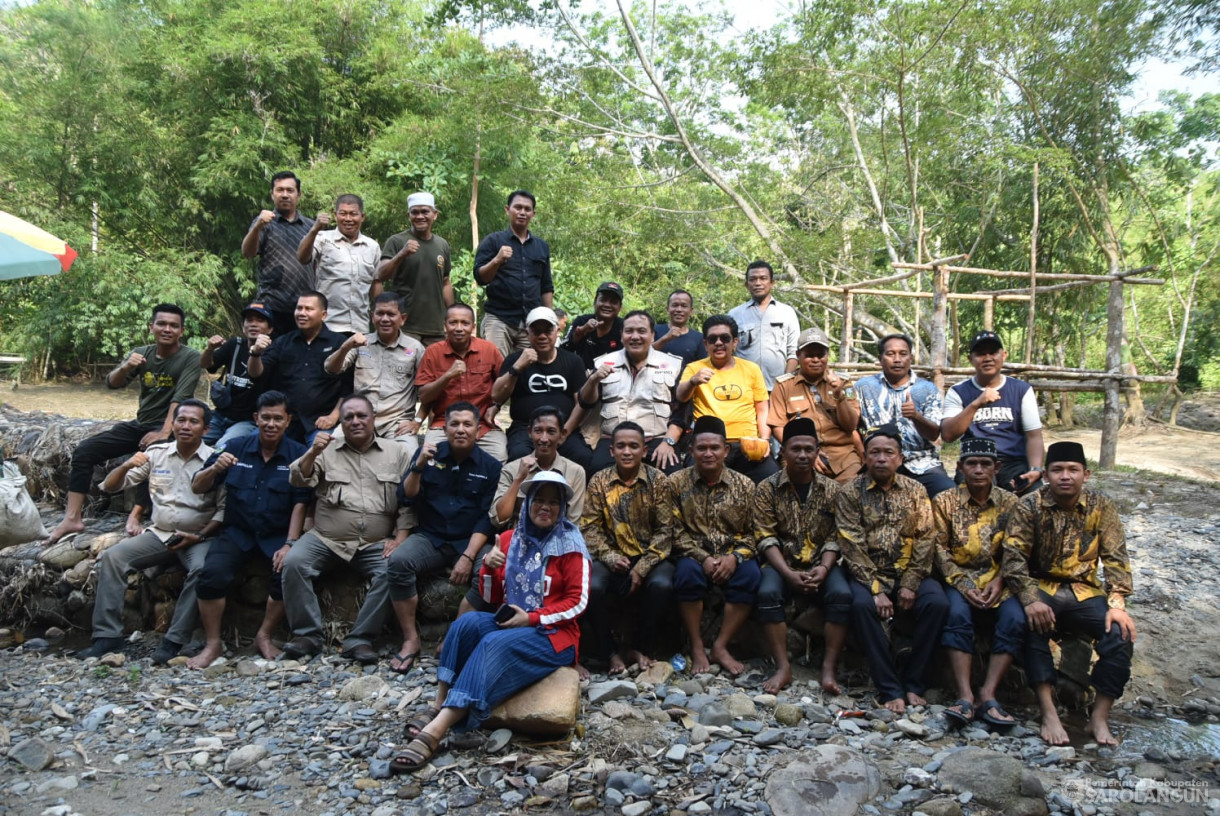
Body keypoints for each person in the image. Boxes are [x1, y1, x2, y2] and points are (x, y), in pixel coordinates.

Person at [390, 471, 590, 773]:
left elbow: (579, 602)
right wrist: (488, 567)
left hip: (553, 635)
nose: (545, 508)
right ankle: (438, 701)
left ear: (563, 508)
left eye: (554, 502)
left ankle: (437, 728)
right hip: (514, 623)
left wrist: (532, 617)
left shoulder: (570, 545)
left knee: (492, 642)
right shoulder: (509, 540)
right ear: (528, 504)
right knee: (465, 624)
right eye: (539, 501)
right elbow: (490, 595)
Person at [1001, 441, 1135, 747]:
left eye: (1073, 470)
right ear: (1046, 474)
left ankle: (1098, 717)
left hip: (1084, 590)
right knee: (1030, 625)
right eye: (1057, 469)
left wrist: (1117, 603)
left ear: (1085, 474)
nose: (1065, 476)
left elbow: (1116, 557)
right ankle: (1049, 712)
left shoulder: (1102, 506)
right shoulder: (1029, 505)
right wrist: (1030, 598)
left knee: (1119, 634)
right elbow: (1013, 558)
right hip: (1041, 586)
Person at [75, 400, 222, 664]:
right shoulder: (157, 454)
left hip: (198, 537)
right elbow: (109, 487)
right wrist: (126, 465)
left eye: (193, 422)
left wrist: (200, 536)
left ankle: (173, 640)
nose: (186, 426)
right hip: (161, 535)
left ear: (206, 428)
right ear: (173, 424)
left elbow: (224, 509)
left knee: (202, 570)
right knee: (113, 557)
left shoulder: (215, 459)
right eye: (181, 420)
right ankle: (107, 636)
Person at [46, 303, 202, 545]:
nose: (167, 329)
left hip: (171, 425)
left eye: (174, 325)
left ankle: (136, 515)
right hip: (140, 423)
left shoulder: (190, 357)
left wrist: (164, 431)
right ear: (152, 327)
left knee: (153, 453)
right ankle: (72, 517)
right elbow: (112, 383)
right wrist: (127, 365)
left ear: (182, 331)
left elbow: (180, 398)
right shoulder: (142, 353)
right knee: (85, 450)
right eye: (162, 324)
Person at [281, 395, 414, 663]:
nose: (355, 421)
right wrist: (312, 452)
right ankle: (307, 635)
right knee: (294, 562)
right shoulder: (325, 449)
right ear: (340, 422)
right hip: (326, 538)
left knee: (393, 571)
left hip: (375, 542)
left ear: (373, 418)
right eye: (348, 417)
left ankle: (360, 639)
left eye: (361, 416)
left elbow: (407, 501)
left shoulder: (397, 452)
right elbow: (298, 479)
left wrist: (401, 537)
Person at [187, 391, 312, 669]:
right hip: (237, 531)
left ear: (288, 421)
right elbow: (197, 486)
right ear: (255, 419)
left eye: (277, 418)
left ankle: (264, 635)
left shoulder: (298, 454)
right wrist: (213, 469)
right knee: (211, 575)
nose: (270, 424)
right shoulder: (234, 446)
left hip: (276, 533)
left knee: (285, 573)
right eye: (265, 417)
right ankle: (213, 643)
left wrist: (290, 543)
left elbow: (301, 503)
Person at [836, 424, 949, 713]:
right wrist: (875, 590)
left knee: (936, 603)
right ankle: (888, 687)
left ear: (900, 458)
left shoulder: (915, 490)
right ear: (865, 458)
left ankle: (914, 682)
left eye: (889, 453)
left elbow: (926, 538)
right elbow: (851, 545)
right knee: (860, 606)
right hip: (869, 573)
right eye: (875, 453)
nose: (881, 459)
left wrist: (911, 583)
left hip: (910, 572)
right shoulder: (850, 492)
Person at [388, 402, 503, 674]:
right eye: (454, 424)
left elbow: (487, 518)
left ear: (478, 429)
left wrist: (468, 557)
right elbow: (406, 497)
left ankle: (453, 637)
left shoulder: (491, 466)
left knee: (489, 573)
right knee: (399, 562)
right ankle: (410, 639)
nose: (460, 430)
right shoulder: (428, 455)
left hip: (469, 540)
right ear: (444, 428)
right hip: (432, 537)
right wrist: (417, 467)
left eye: (467, 424)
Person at [752, 418, 851, 694]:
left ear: (818, 451)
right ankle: (783, 667)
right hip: (782, 563)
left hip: (822, 565)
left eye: (809, 449)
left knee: (842, 595)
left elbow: (836, 535)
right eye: (796, 449)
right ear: (783, 451)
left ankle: (829, 670)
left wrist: (824, 568)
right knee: (768, 592)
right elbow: (765, 536)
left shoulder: (832, 489)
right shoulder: (767, 488)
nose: (803, 455)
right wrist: (787, 574)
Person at [933, 437, 1026, 728]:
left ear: (996, 468)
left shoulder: (1011, 503)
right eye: (971, 463)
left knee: (1014, 617)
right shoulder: (944, 502)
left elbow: (1017, 549)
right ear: (960, 467)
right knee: (957, 614)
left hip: (999, 579)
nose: (978, 470)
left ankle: (988, 693)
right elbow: (938, 550)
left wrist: (1000, 581)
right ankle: (964, 695)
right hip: (958, 577)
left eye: (985, 464)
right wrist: (962, 584)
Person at [661, 415, 759, 676]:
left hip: (732, 555)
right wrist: (702, 557)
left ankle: (720, 645)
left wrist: (736, 557)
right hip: (692, 555)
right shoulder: (675, 483)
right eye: (701, 448)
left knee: (751, 575)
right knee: (686, 575)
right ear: (691, 450)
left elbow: (755, 532)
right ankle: (696, 645)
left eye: (714, 448)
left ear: (726, 450)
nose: (708, 453)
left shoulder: (745, 486)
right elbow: (673, 531)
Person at [580, 422, 673, 675]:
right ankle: (608, 652)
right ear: (611, 451)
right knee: (592, 587)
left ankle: (640, 647)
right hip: (611, 556)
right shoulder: (599, 481)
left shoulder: (659, 481)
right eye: (621, 446)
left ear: (645, 450)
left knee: (662, 585)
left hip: (649, 557)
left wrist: (641, 568)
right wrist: (610, 557)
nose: (627, 451)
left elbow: (666, 531)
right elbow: (588, 527)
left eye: (634, 446)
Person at [570, 310, 685, 475]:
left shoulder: (672, 365)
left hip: (657, 440)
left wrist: (669, 441)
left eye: (642, 331)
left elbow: (682, 410)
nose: (635, 336)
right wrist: (593, 380)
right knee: (597, 472)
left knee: (672, 473)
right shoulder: (604, 362)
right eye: (629, 331)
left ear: (653, 335)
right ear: (621, 335)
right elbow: (585, 402)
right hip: (613, 440)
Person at [676, 315, 777, 483]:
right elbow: (681, 396)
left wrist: (765, 440)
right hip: (709, 443)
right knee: (691, 482)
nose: (718, 343)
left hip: (746, 443)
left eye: (725, 338)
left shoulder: (751, 369)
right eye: (712, 339)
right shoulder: (695, 368)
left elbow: (762, 409)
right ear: (705, 344)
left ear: (735, 342)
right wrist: (693, 381)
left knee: (772, 478)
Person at [942, 331, 1045, 495]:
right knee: (968, 500)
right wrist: (976, 403)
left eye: (993, 352)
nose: (987, 358)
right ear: (971, 359)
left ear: (1003, 355)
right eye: (981, 353)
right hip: (975, 461)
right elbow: (948, 435)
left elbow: (1034, 436)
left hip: (1014, 463)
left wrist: (1036, 469)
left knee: (1036, 497)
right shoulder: (958, 391)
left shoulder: (1021, 390)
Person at [324, 291, 425, 457]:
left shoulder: (415, 349)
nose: (385, 319)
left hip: (396, 424)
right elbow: (331, 368)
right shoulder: (360, 343)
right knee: (330, 452)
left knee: (410, 458)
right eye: (380, 313)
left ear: (403, 319)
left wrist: (417, 422)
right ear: (372, 316)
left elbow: (428, 392)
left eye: (391, 314)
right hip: (358, 419)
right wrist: (346, 345)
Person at [492, 306, 593, 469]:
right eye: (536, 331)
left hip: (564, 428)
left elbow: (581, 404)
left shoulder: (573, 361)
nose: (542, 336)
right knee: (518, 456)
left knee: (583, 457)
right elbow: (496, 396)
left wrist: (565, 431)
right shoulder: (515, 359)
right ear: (527, 333)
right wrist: (516, 368)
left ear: (557, 330)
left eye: (548, 330)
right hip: (526, 429)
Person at [854, 333, 954, 497]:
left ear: (911, 358)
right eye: (890, 354)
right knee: (851, 494)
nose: (897, 359)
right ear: (880, 358)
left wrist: (915, 415)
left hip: (921, 463)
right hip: (878, 462)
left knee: (949, 495)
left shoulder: (927, 389)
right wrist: (863, 455)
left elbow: (934, 433)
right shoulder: (863, 387)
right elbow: (852, 426)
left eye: (903, 353)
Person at [247, 291, 353, 443]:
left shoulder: (338, 343)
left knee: (322, 454)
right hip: (282, 421)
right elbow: (256, 374)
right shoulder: (283, 342)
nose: (302, 313)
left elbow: (348, 386)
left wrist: (334, 416)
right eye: (299, 308)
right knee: (251, 445)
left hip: (320, 422)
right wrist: (255, 353)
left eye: (308, 309)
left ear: (323, 315)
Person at [769, 327, 864, 484]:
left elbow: (851, 425)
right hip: (800, 454)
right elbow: (778, 427)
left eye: (821, 355)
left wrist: (840, 395)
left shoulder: (844, 383)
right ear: (798, 356)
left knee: (852, 493)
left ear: (827, 356)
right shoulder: (784, 385)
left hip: (842, 456)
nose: (815, 360)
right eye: (809, 355)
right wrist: (805, 452)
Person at [416, 303, 507, 462]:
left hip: (483, 426)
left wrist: (496, 406)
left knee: (499, 456)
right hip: (443, 424)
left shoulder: (489, 350)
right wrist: (447, 376)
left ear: (473, 326)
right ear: (445, 326)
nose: (459, 328)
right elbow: (424, 396)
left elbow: (507, 384)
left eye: (464, 323)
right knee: (429, 459)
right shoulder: (433, 352)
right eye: (453, 323)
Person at [474, 190, 554, 357]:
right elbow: (481, 278)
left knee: (528, 373)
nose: (522, 212)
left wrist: (550, 320)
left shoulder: (541, 246)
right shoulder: (493, 241)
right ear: (507, 209)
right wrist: (496, 260)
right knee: (496, 370)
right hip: (499, 319)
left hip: (531, 323)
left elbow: (546, 286)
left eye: (527, 209)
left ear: (533, 213)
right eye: (518, 207)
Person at [241, 171, 316, 337]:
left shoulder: (311, 226)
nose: (285, 195)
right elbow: (247, 253)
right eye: (279, 190)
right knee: (270, 356)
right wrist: (258, 226)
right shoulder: (265, 223)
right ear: (272, 194)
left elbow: (317, 265)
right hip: (271, 305)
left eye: (290, 190)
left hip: (304, 307)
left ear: (299, 194)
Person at [376, 191, 453, 346]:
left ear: (434, 214)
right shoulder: (397, 241)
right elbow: (381, 275)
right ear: (409, 215)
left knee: (435, 370)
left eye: (425, 211)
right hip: (406, 325)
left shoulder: (442, 245)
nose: (420, 216)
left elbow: (445, 282)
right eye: (415, 212)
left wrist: (452, 314)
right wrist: (401, 254)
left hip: (435, 328)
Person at [297, 194, 381, 335]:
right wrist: (314, 229)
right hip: (328, 325)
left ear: (362, 216)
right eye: (343, 214)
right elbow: (303, 258)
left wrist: (381, 314)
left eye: (353, 214)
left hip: (360, 327)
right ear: (336, 215)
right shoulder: (322, 238)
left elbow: (376, 283)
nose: (348, 219)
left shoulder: (372, 246)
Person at [492, 405, 586, 530]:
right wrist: (519, 479)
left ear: (562, 434)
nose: (544, 439)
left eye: (551, 431)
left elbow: (573, 523)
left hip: (559, 540)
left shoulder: (575, 472)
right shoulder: (511, 469)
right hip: (519, 539)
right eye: (538, 431)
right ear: (529, 432)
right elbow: (498, 519)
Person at [201, 302, 274, 447]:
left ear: (270, 329)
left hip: (248, 420)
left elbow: (256, 374)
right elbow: (206, 365)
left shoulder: (274, 351)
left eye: (260, 320)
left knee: (222, 447)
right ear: (243, 326)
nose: (253, 324)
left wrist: (256, 351)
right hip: (221, 414)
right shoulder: (235, 344)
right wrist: (209, 349)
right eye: (249, 320)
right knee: (192, 441)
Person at [727, 261, 799, 390]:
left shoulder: (787, 312)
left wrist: (786, 383)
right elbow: (727, 352)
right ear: (746, 284)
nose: (758, 283)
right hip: (744, 388)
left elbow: (794, 352)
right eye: (752, 279)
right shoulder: (734, 314)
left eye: (763, 278)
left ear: (772, 283)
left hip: (777, 388)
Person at [561, 281, 625, 370]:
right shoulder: (581, 321)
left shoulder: (625, 327)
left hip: (612, 377)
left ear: (620, 307)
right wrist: (582, 330)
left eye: (613, 302)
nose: (607, 305)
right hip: (580, 376)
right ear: (595, 303)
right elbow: (564, 349)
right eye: (603, 300)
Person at [653, 289, 705, 370]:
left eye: (684, 306)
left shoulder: (699, 338)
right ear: (667, 309)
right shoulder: (654, 330)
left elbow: (701, 368)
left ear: (691, 311)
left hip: (686, 382)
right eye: (675, 305)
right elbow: (642, 355)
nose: (679, 310)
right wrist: (664, 339)